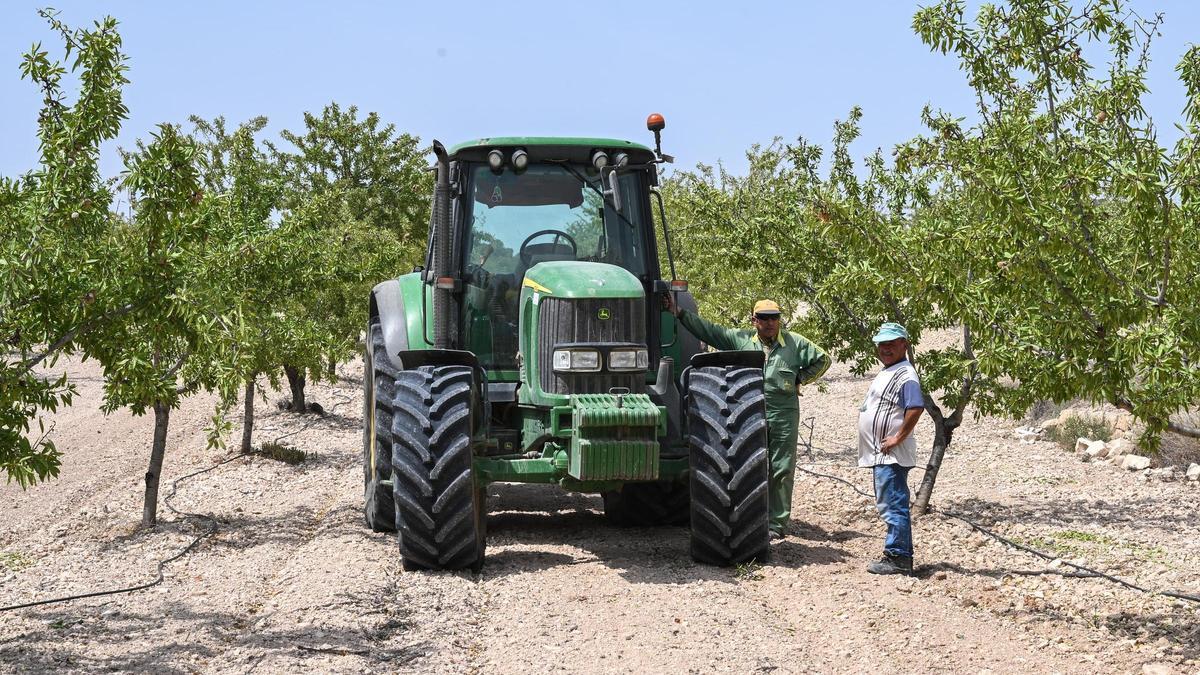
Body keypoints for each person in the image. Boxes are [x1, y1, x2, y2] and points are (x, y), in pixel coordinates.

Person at [665, 295, 830, 539]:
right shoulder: (740, 339)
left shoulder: (795, 343)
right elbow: (710, 331)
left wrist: (799, 379)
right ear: (754, 320)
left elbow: (823, 359)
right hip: (748, 413)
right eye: (764, 318)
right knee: (746, 465)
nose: (770, 323)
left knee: (781, 468)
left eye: (774, 317)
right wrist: (679, 312)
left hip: (783, 412)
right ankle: (750, 516)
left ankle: (776, 523)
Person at [858, 322, 925, 576]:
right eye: (881, 344)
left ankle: (898, 557)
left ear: (904, 345)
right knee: (890, 502)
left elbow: (916, 407)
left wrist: (897, 437)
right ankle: (898, 555)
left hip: (891, 455)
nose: (885, 349)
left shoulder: (905, 375)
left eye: (891, 344)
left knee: (893, 504)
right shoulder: (891, 370)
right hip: (882, 454)